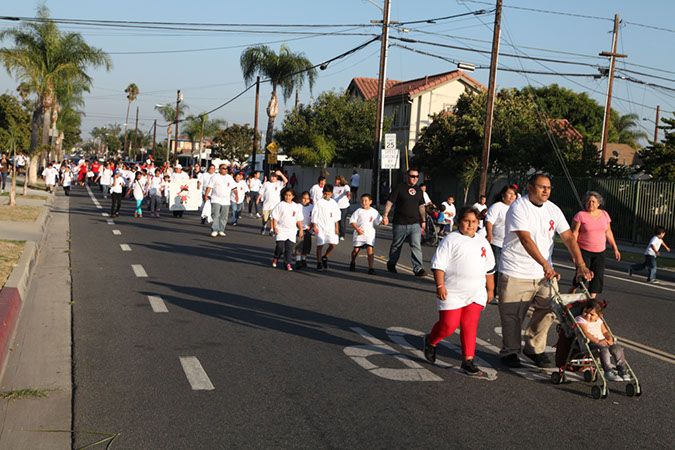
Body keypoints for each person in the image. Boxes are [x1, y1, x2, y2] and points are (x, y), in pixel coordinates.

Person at [498, 173, 592, 369]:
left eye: (548, 188)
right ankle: (510, 352)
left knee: (552, 309)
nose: (546, 191)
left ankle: (533, 348)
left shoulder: (553, 209)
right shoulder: (519, 207)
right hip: (516, 270)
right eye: (541, 187)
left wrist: (581, 264)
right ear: (530, 188)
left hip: (544, 274)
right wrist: (545, 264)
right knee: (512, 316)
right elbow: (525, 239)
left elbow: (568, 237)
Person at [422, 207, 495, 376]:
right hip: (452, 292)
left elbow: (489, 269)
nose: (471, 225)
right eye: (466, 221)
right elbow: (438, 265)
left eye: (474, 222)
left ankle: (467, 361)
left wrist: (490, 290)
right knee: (448, 326)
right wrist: (440, 286)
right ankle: (431, 341)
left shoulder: (483, 242)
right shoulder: (450, 239)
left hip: (476, 292)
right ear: (459, 222)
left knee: (470, 324)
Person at [570, 191, 621, 297]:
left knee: (597, 276)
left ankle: (591, 299)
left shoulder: (605, 214)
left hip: (600, 252)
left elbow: (608, 232)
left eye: (593, 201)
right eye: (588, 201)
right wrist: (573, 252)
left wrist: (615, 249)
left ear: (599, 203)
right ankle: (573, 290)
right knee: (583, 275)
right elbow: (574, 233)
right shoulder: (580, 215)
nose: (590, 204)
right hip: (584, 251)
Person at [382, 169, 427, 277]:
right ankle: (392, 263)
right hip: (400, 222)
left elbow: (421, 206)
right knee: (396, 245)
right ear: (407, 176)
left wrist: (423, 220)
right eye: (412, 176)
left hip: (415, 224)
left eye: (417, 176)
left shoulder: (419, 190)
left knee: (416, 246)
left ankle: (418, 268)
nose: (415, 178)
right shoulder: (399, 188)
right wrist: (385, 215)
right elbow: (390, 202)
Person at [575, 299, 630, 382]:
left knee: (617, 348)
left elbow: (605, 331)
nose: (587, 315)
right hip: (590, 344)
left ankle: (622, 370)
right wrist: (598, 341)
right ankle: (608, 371)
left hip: (603, 342)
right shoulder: (580, 319)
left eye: (591, 314)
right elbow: (585, 333)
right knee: (603, 349)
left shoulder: (599, 321)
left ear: (599, 316)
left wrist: (609, 339)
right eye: (585, 312)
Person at [485, 185, 518, 290]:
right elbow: (489, 220)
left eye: (514, 194)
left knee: (509, 271)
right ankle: (491, 292)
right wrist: (489, 233)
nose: (512, 196)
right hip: (497, 244)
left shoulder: (517, 208)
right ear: (503, 194)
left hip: (511, 246)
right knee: (495, 270)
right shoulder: (497, 206)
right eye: (509, 193)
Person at [349, 193, 382, 275]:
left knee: (370, 249)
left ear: (370, 202)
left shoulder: (374, 212)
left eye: (366, 201)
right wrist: (357, 229)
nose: (364, 202)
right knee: (355, 250)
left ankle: (371, 268)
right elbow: (352, 221)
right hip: (359, 233)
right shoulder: (358, 211)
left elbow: (379, 222)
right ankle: (352, 262)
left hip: (369, 234)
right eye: (362, 201)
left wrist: (383, 221)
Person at [271, 189, 304, 271]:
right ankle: (276, 257)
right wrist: (274, 227)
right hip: (281, 229)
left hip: (291, 230)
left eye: (290, 195)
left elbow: (298, 219)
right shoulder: (280, 205)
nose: (288, 197)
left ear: (293, 196)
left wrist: (301, 229)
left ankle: (287, 263)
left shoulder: (296, 206)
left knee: (289, 249)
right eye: (286, 195)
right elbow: (274, 217)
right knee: (280, 247)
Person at [312, 184, 341, 272]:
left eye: (328, 194)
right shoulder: (319, 202)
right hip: (320, 226)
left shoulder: (333, 203)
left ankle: (325, 257)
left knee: (333, 244)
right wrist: (314, 225)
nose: (326, 196)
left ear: (331, 194)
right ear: (323, 193)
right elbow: (314, 214)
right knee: (320, 244)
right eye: (325, 194)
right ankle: (319, 262)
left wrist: (336, 226)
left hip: (330, 226)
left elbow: (336, 215)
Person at [205, 164, 235, 237]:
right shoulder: (215, 177)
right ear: (220, 169)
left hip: (226, 200)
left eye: (226, 168)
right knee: (215, 214)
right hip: (216, 198)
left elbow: (234, 188)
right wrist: (206, 195)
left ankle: (221, 230)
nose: (225, 169)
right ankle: (215, 229)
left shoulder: (229, 178)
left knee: (224, 216)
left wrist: (236, 196)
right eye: (224, 168)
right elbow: (209, 187)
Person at [258, 170, 288, 235]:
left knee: (273, 218)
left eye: (275, 177)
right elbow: (261, 192)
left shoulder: (278, 184)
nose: (273, 178)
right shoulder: (266, 184)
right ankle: (264, 226)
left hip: (275, 205)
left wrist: (281, 174)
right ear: (270, 177)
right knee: (265, 219)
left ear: (277, 178)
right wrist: (258, 199)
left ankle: (271, 230)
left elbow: (286, 181)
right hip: (266, 204)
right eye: (272, 176)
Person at [295, 191, 313, 270]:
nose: (305, 200)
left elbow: (314, 218)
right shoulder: (297, 206)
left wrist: (311, 226)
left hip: (308, 229)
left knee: (306, 245)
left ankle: (303, 259)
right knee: (299, 244)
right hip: (299, 228)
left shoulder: (312, 207)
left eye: (307, 199)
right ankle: (298, 260)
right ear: (300, 199)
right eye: (304, 198)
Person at [334, 176, 351, 240]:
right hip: (335, 207)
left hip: (344, 207)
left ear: (340, 181)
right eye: (335, 179)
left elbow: (347, 192)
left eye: (337, 180)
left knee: (342, 221)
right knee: (335, 221)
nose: (335, 181)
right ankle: (335, 233)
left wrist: (348, 195)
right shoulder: (334, 188)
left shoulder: (345, 187)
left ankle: (342, 235)